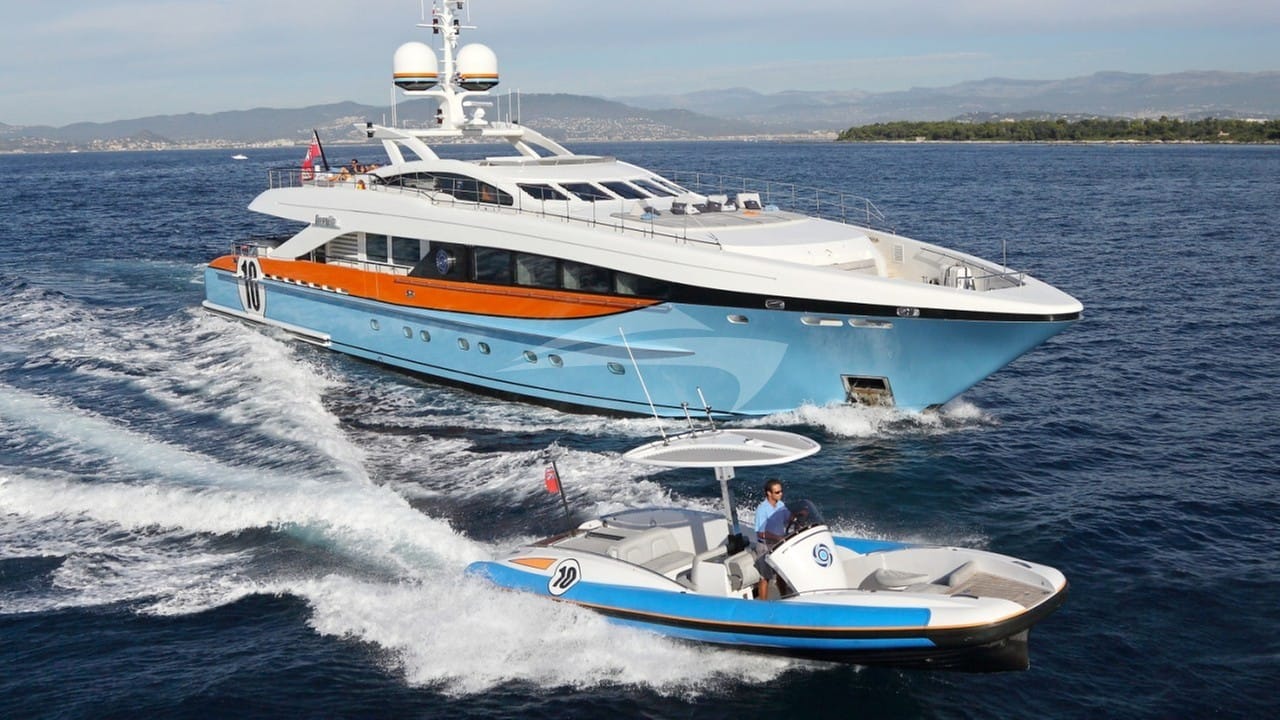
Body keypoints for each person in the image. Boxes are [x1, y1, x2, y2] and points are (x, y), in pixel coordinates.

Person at [753, 478, 789, 600]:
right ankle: (763, 604)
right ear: (769, 493)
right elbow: (761, 533)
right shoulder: (762, 509)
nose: (780, 494)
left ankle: (785, 598)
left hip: (778, 544)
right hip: (765, 546)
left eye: (781, 491)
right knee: (765, 577)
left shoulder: (781, 505)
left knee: (781, 575)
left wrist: (799, 514)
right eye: (777, 492)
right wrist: (777, 537)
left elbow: (787, 519)